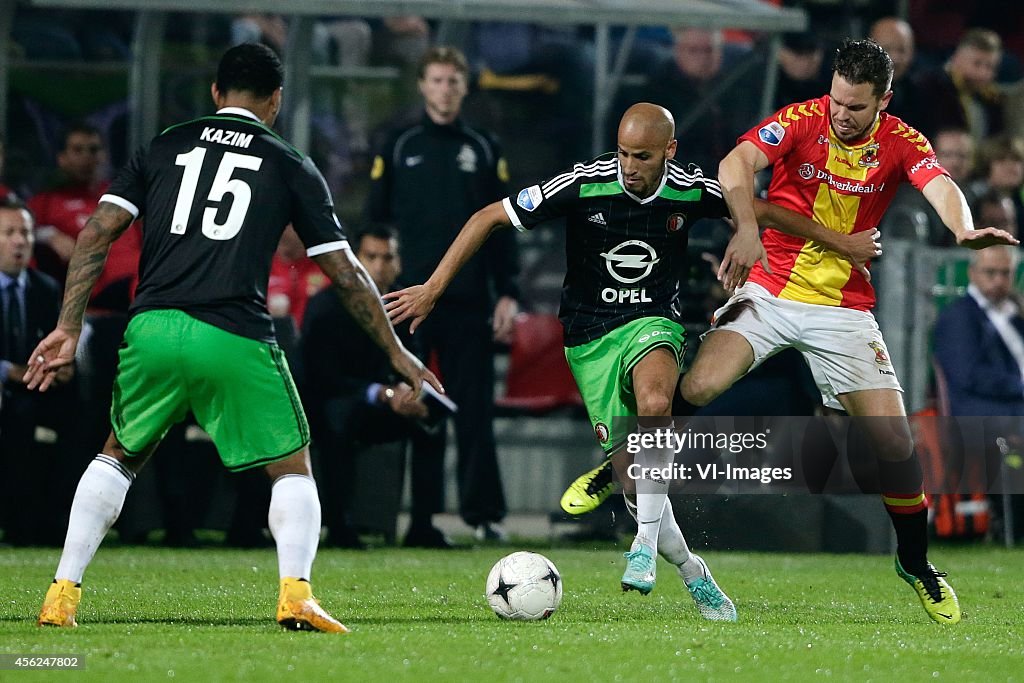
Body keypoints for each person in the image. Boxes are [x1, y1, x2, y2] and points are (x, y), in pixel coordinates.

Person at [385, 102, 879, 621]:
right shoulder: (582, 184)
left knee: (656, 398)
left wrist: (839, 242)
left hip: (653, 323)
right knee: (635, 483)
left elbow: (763, 208)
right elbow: (488, 216)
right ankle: (694, 573)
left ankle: (641, 545)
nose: (629, 165)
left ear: (669, 151)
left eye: (642, 156)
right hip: (588, 338)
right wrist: (434, 288)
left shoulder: (688, 189)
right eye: (622, 153)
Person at [27, 43, 438, 633]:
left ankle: (61, 594)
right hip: (232, 332)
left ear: (216, 94)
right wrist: (396, 351)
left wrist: (69, 326)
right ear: (275, 101)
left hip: (153, 328)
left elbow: (95, 234)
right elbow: (344, 272)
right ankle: (295, 595)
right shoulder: (290, 162)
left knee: (119, 452)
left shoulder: (164, 143)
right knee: (292, 467)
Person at [676, 38, 1018, 625]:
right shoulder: (802, 119)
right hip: (771, 288)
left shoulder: (902, 141)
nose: (840, 114)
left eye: (855, 107)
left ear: (883, 100)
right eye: (836, 100)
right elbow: (734, 165)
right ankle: (623, 460)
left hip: (843, 307)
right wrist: (745, 228)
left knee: (896, 448)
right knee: (699, 387)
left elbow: (941, 186)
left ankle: (916, 563)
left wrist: (962, 231)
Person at [366, 45, 519, 544]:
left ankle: (484, 515)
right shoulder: (397, 143)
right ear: (421, 85)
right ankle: (419, 519)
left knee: (474, 410)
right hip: (408, 301)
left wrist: (508, 291)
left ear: (465, 87)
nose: (445, 90)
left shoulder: (484, 147)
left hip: (469, 299)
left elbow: (504, 226)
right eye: (436, 80)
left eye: (453, 81)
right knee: (418, 400)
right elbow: (376, 221)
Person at [301, 224, 441, 548]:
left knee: (432, 421)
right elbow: (322, 377)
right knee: (338, 416)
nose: (379, 265)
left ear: (399, 262)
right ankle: (339, 526)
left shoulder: (408, 304)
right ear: (354, 260)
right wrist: (381, 392)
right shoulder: (326, 306)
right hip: (336, 402)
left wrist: (410, 391)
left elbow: (416, 356)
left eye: (387, 257)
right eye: (371, 256)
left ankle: (423, 525)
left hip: (388, 406)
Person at [0, 198, 76, 545]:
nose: (19, 241)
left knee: (82, 417)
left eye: (25, 233)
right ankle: (19, 525)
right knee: (19, 416)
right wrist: (9, 372)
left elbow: (55, 345)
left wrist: (61, 368)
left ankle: (58, 522)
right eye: (9, 233)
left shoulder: (44, 288)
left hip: (35, 388)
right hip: (8, 387)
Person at [912, 28, 1005, 143]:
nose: (983, 74)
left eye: (991, 67)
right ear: (957, 58)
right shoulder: (927, 88)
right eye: (977, 64)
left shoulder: (992, 99)